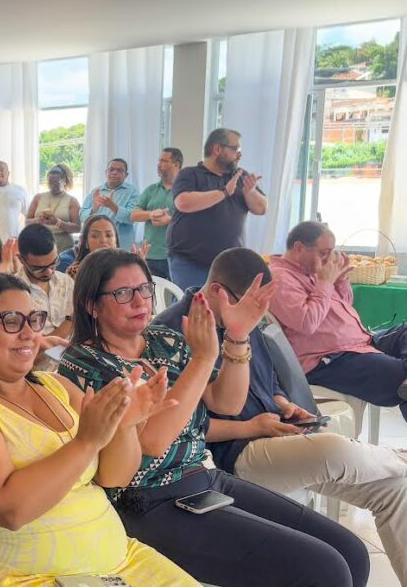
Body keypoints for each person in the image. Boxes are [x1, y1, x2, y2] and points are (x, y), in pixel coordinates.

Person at [57, 248, 368, 587]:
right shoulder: (84, 364)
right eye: (123, 293)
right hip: (148, 500)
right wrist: (203, 360)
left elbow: (227, 401)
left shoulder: (164, 340)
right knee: (323, 570)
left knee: (351, 551)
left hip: (203, 478)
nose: (140, 301)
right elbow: (152, 443)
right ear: (91, 304)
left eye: (145, 289)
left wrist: (237, 336)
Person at [0, 271, 195, 585]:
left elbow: (115, 476)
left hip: (120, 563)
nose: (28, 333)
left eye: (34, 319)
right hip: (28, 577)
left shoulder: (56, 386)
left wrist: (124, 425)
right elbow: (9, 510)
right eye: (11, 320)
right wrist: (86, 442)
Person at [156, 247, 407, 584]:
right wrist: (251, 426)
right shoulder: (173, 332)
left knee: (394, 488)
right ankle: (397, 456)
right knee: (336, 451)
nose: (259, 315)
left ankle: (395, 465)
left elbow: (268, 379)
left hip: (276, 434)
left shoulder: (244, 317)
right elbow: (183, 427)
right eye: (253, 307)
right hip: (235, 453)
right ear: (218, 291)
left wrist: (284, 403)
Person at [268, 221, 407, 421]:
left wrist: (340, 281)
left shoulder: (313, 270)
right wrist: (325, 282)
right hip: (329, 358)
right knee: (398, 374)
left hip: (360, 344)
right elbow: (307, 322)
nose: (330, 258)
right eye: (324, 252)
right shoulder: (280, 279)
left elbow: (342, 307)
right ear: (299, 248)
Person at [167, 128, 268, 290]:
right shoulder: (190, 174)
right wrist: (224, 192)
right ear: (217, 149)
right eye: (235, 149)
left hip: (229, 265)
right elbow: (183, 202)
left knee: (225, 311)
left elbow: (262, 208)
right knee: (193, 309)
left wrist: (250, 192)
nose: (239, 154)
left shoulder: (241, 176)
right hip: (190, 262)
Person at [15, 224, 73, 367]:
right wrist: (71, 320)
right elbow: (29, 353)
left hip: (74, 366)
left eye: (53, 263)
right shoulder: (14, 293)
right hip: (39, 375)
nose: (48, 272)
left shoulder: (66, 282)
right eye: (39, 268)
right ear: (21, 260)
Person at [130, 148, 181, 280]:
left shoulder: (185, 190)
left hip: (176, 255)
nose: (159, 164)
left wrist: (170, 220)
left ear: (176, 165)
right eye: (159, 160)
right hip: (150, 255)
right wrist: (150, 214)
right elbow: (134, 215)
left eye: (164, 161)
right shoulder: (151, 190)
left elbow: (194, 220)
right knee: (151, 296)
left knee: (177, 296)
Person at [80, 158, 139, 247]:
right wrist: (94, 209)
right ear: (106, 172)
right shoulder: (96, 191)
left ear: (126, 175)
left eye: (119, 170)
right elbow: (82, 217)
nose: (114, 172)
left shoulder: (132, 191)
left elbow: (132, 218)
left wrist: (113, 206)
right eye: (111, 169)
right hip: (96, 245)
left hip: (121, 245)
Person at [26, 164, 80, 253]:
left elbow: (77, 228)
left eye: (56, 183)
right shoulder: (38, 197)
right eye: (50, 182)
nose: (52, 186)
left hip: (62, 247)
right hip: (38, 245)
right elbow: (26, 222)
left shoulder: (72, 201)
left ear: (65, 181)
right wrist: (37, 221)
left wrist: (57, 222)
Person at [61, 214, 122, 279]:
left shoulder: (126, 268)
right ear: (86, 242)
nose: (103, 240)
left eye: (108, 235)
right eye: (95, 236)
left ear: (116, 241)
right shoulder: (76, 272)